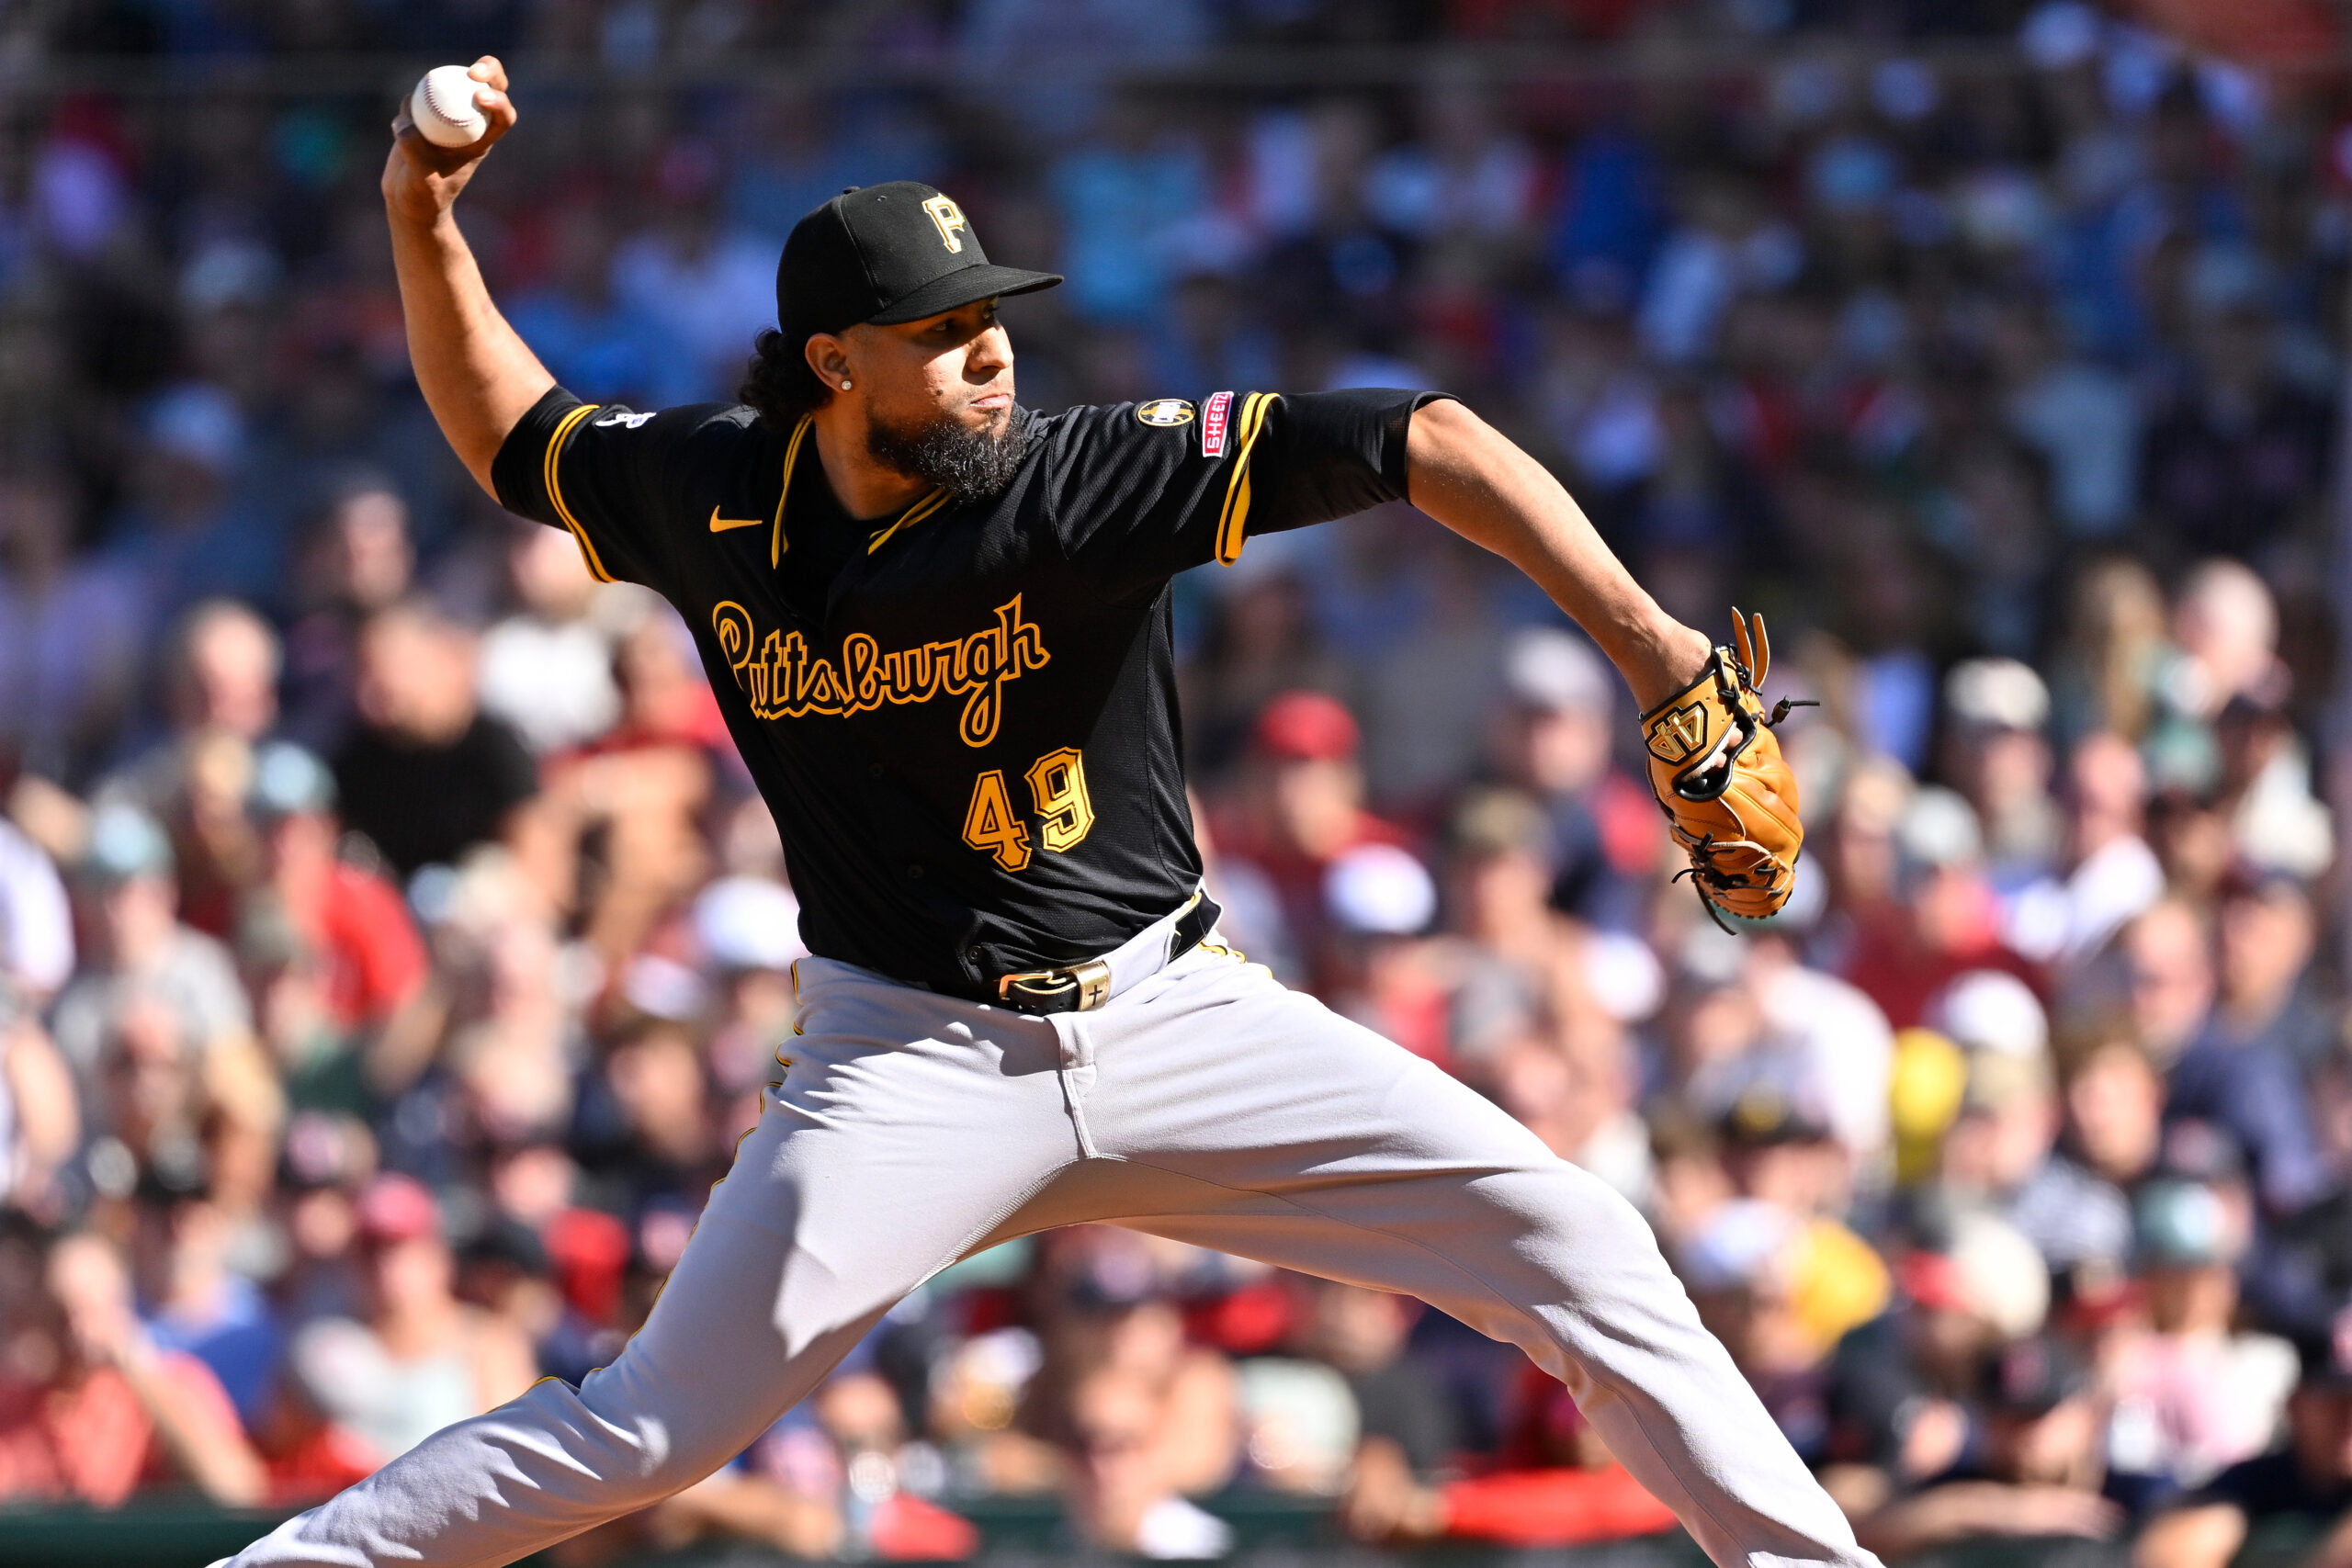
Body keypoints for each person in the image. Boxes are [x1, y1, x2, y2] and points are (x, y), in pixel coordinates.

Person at [213, 58, 1860, 1568]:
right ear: (834, 364)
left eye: (992, 309)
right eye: (941, 327)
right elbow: (514, 431)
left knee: (1579, 1249)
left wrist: (1662, 660)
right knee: (647, 1427)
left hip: (1175, 1015)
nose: (990, 344)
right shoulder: (717, 493)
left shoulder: (1079, 476)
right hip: (904, 1060)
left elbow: (1422, 435)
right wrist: (419, 213)